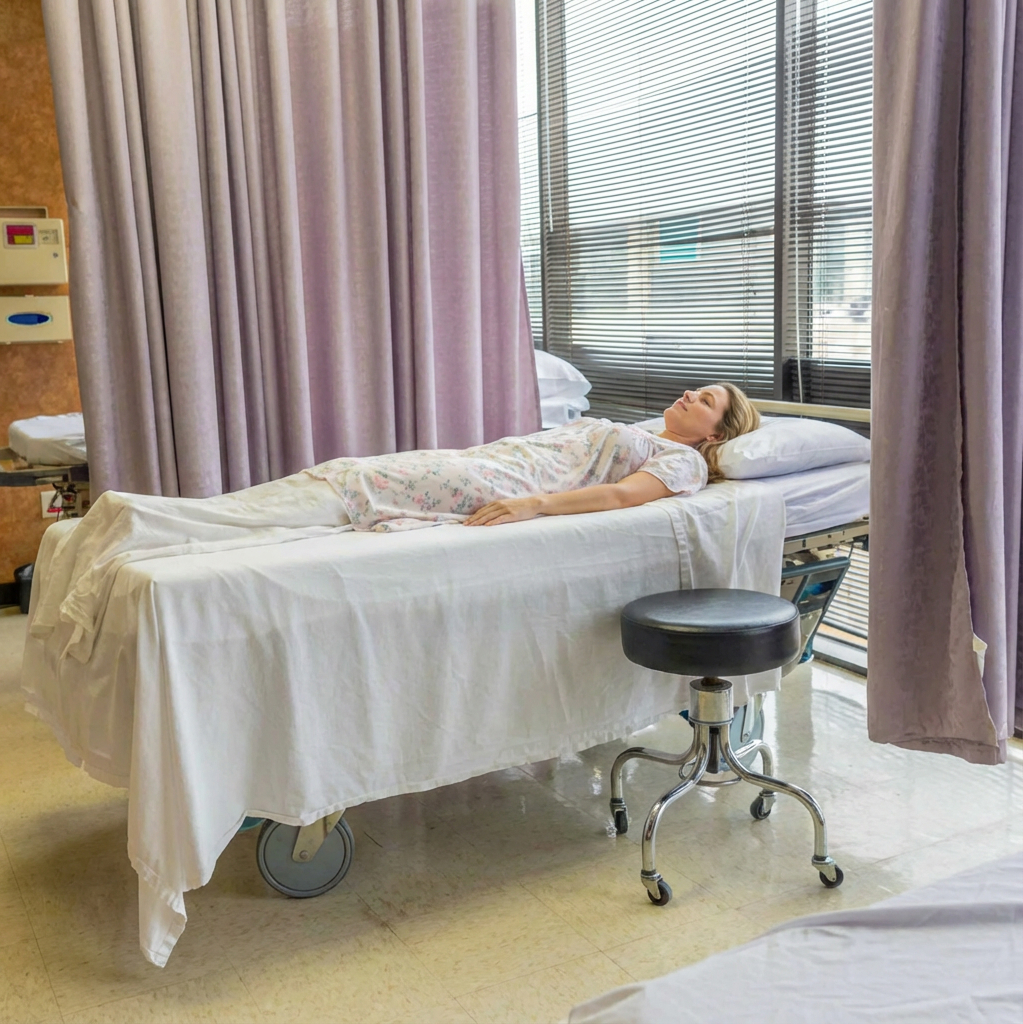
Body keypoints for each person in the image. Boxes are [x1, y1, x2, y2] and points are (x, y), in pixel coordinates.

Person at [31, 382, 760, 663]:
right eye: (693, 389)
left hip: (478, 485)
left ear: (715, 433)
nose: (688, 395)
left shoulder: (683, 466)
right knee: (329, 486)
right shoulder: (644, 429)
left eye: (705, 400)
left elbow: (620, 499)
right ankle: (141, 525)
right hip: (471, 465)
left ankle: (139, 521)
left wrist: (534, 505)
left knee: (334, 490)